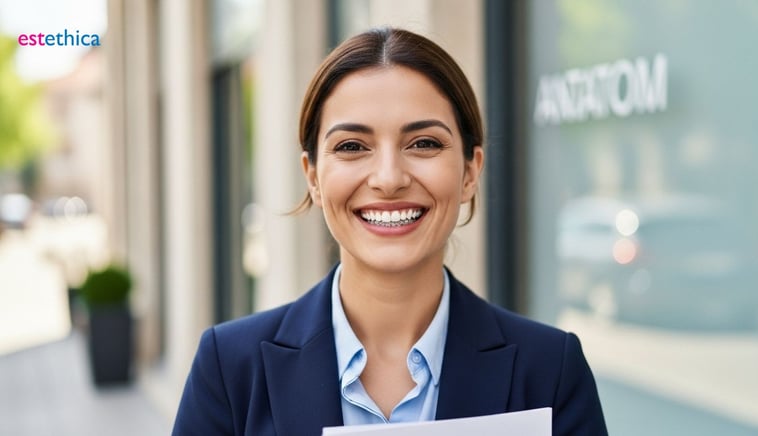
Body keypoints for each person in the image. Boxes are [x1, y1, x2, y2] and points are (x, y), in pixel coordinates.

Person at [173, 27, 607, 436]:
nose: (388, 178)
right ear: (313, 177)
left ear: (471, 172)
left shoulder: (551, 370)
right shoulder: (230, 369)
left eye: (424, 143)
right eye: (351, 147)